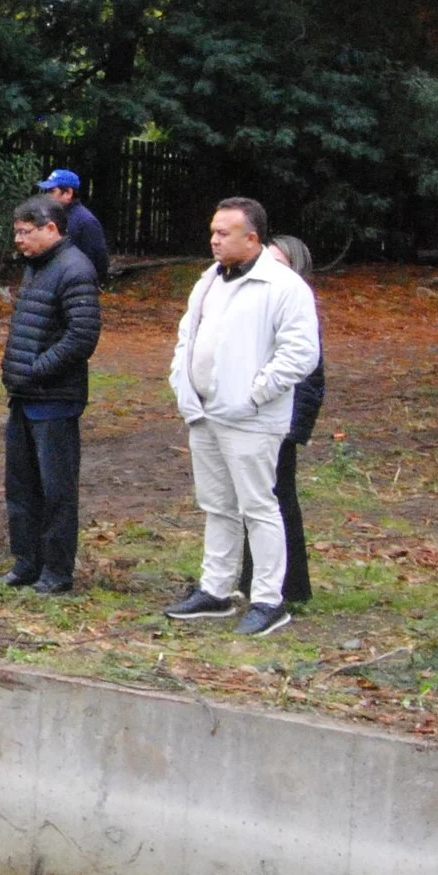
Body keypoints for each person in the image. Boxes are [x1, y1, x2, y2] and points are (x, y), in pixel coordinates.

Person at [162, 197, 320, 637]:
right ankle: (215, 589)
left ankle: (269, 599)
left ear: (252, 238)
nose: (213, 240)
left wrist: (254, 395)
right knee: (216, 504)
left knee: (259, 506)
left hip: (251, 419)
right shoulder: (208, 281)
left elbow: (301, 354)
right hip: (205, 414)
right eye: (212, 231)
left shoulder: (283, 287)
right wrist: (184, 385)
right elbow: (186, 338)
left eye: (223, 233)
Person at [0, 195, 102, 594]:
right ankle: (26, 563)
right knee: (21, 486)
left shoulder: (75, 269)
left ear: (52, 230)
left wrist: (35, 370)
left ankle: (56, 572)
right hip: (25, 397)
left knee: (56, 489)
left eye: (26, 232)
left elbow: (82, 336)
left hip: (54, 398)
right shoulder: (36, 268)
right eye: (17, 232)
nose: (18, 241)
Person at [237, 235, 323, 606]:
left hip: (281, 421)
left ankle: (288, 585)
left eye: (279, 262)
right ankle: (252, 577)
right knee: (252, 500)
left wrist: (294, 428)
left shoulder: (298, 308)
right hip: (255, 417)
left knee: (277, 500)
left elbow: (309, 377)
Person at [34, 169, 110, 284]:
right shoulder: (53, 217)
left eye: (51, 191)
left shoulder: (85, 221)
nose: (47, 196)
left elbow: (99, 262)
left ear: (68, 193)